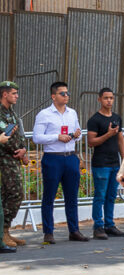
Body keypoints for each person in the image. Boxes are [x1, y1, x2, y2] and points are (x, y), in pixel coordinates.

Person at [33, 82, 85, 243]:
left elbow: (80, 133)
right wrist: (57, 136)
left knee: (72, 196)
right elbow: (37, 137)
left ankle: (74, 230)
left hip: (70, 157)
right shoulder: (44, 114)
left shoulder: (72, 113)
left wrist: (77, 135)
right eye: (62, 93)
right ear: (53, 96)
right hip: (53, 157)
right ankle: (48, 232)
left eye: (67, 93)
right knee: (49, 196)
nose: (66, 96)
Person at [86, 88, 124, 240]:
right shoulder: (94, 120)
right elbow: (91, 142)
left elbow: (121, 139)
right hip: (101, 164)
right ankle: (98, 226)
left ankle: (109, 225)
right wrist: (108, 134)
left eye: (111, 98)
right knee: (100, 196)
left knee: (111, 196)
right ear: (99, 100)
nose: (109, 101)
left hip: (115, 163)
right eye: (106, 98)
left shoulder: (116, 118)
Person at [0, 81, 27, 249]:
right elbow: (4, 136)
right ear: (5, 94)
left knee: (13, 194)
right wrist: (16, 149)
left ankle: (6, 230)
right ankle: (2, 231)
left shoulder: (13, 113)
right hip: (4, 160)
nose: (16, 96)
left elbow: (20, 134)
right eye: (14, 93)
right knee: (13, 194)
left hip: (14, 160)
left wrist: (23, 149)